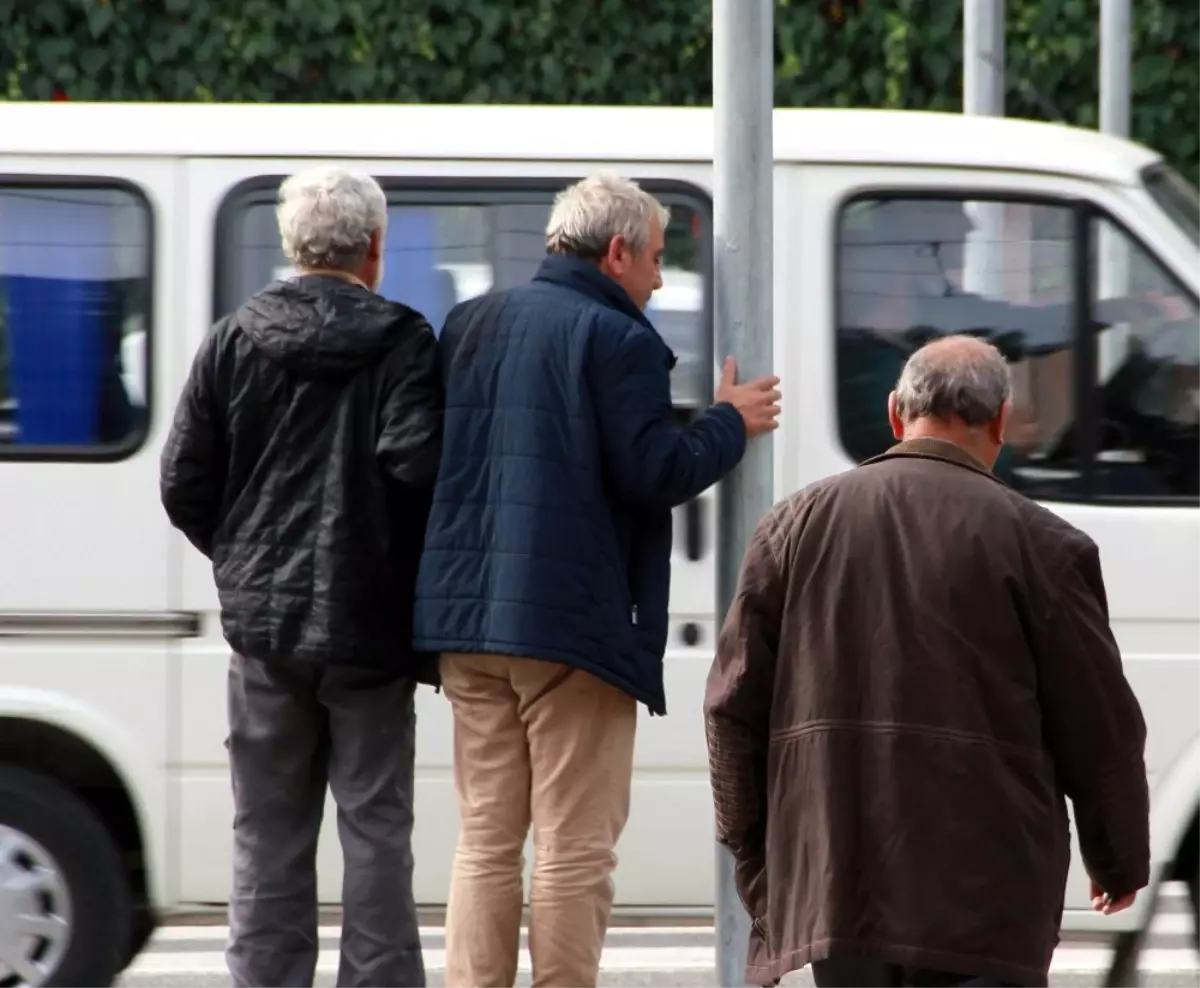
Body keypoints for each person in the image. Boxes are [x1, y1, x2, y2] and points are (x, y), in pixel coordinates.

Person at [413, 171, 781, 988]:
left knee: (484, 836)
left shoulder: (469, 324)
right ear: (616, 253)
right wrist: (728, 422)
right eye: (654, 258)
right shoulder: (621, 341)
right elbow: (652, 471)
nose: (657, 278)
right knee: (575, 844)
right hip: (571, 632)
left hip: (466, 624)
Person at [704, 334, 1151, 988]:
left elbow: (731, 707)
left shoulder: (791, 527)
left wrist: (759, 858)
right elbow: (1100, 727)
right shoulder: (1046, 546)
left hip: (838, 884)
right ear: (999, 422)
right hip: (986, 898)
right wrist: (1117, 860)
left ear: (894, 413)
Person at [160, 166, 443, 988]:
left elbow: (183, 481)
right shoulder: (403, 341)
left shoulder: (233, 338)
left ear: (291, 245)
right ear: (375, 248)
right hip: (370, 628)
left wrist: (246, 563)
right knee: (377, 826)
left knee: (267, 831)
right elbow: (414, 464)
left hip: (264, 635)